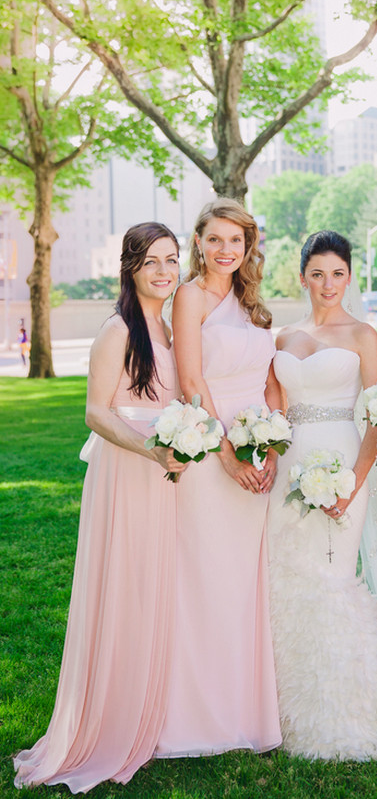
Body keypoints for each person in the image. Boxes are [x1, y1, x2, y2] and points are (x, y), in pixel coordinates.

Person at [14, 223, 188, 792]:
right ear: (131, 267)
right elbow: (96, 412)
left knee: (154, 588)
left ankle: (150, 707)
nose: (164, 270)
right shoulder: (118, 329)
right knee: (124, 586)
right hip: (127, 469)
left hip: (162, 469)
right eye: (151, 261)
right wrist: (152, 450)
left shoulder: (166, 326)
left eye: (171, 259)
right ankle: (107, 719)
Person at [267, 230, 377, 762]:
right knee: (288, 579)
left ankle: (355, 713)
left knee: (335, 579)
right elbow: (278, 412)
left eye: (339, 274)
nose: (329, 284)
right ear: (302, 275)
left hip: (347, 465)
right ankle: (287, 710)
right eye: (318, 273)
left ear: (350, 276)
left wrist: (353, 483)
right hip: (291, 470)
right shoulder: (283, 336)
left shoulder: (363, 335)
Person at [156, 198, 281, 758]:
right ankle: (196, 717)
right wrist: (227, 455)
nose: (226, 250)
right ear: (199, 243)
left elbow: (270, 378)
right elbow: (190, 380)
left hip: (257, 448)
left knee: (245, 584)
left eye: (237, 241)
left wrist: (272, 443)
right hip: (211, 448)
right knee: (205, 579)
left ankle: (243, 711)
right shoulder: (190, 296)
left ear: (248, 246)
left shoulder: (252, 303)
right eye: (215, 240)